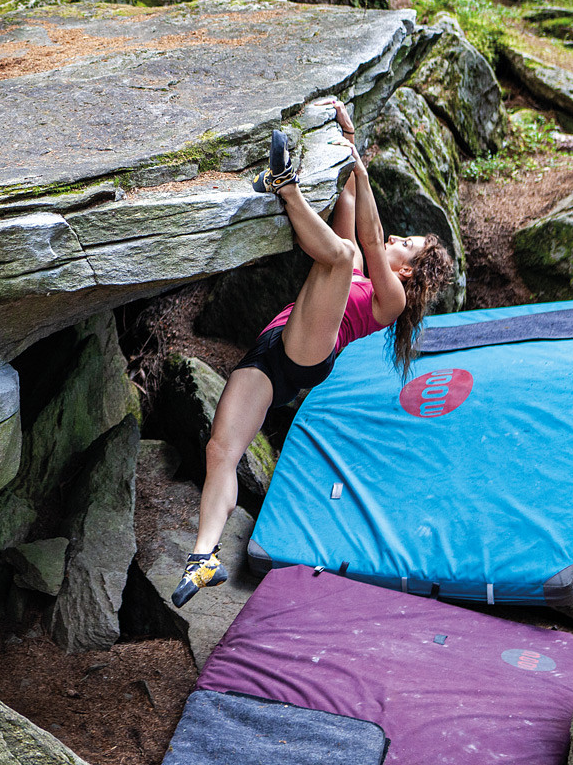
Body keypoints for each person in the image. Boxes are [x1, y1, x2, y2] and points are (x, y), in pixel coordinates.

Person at [171, 98, 455, 608]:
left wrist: (362, 171)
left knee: (343, 255)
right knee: (221, 451)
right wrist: (348, 136)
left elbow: (369, 237)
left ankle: (284, 187)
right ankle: (203, 556)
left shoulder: (389, 299)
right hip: (269, 355)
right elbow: (347, 196)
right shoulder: (360, 271)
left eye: (407, 243)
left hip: (307, 354)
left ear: (408, 271)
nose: (396, 237)